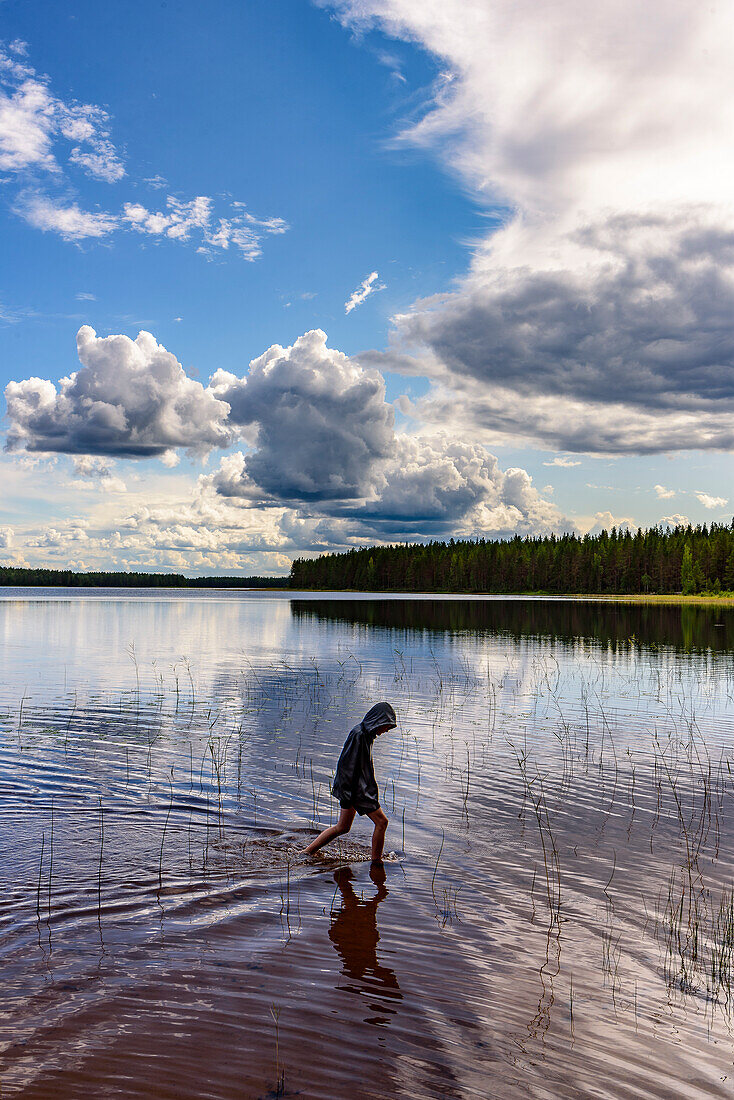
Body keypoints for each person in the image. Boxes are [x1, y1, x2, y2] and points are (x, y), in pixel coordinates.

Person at [304, 702, 397, 864]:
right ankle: (376, 863)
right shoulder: (359, 735)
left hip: (355, 789)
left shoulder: (365, 734)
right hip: (356, 791)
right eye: (386, 726)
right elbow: (346, 765)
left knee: (343, 827)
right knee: (382, 822)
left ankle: (306, 852)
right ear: (378, 721)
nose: (387, 730)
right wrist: (348, 794)